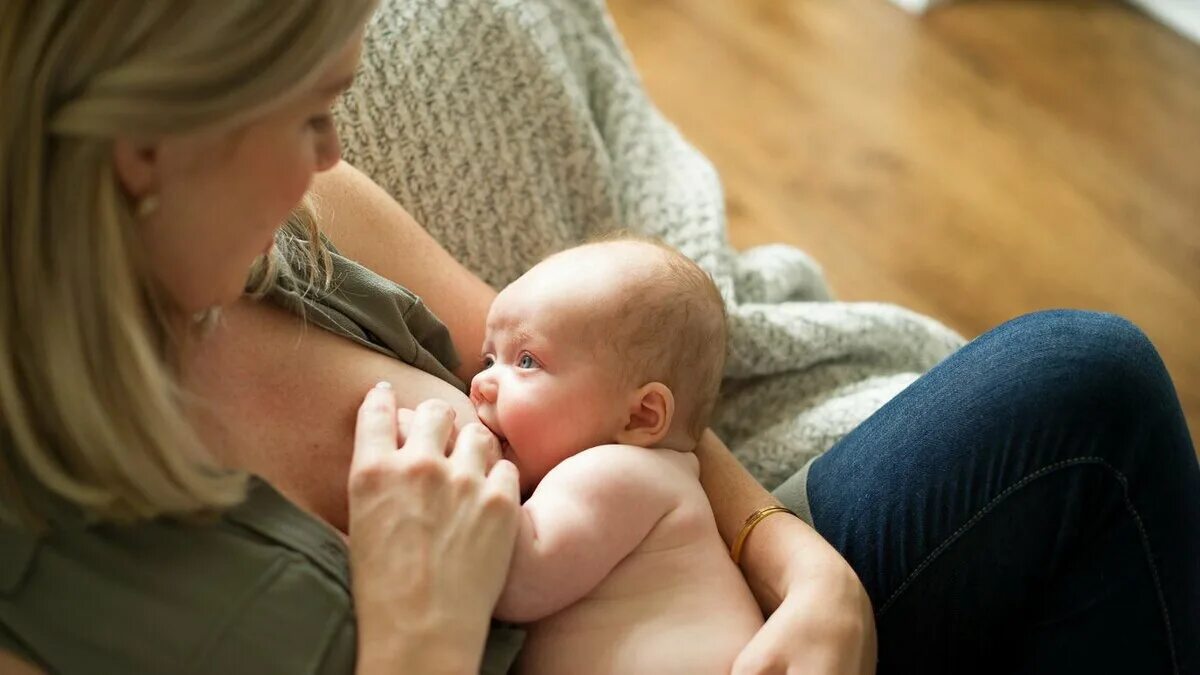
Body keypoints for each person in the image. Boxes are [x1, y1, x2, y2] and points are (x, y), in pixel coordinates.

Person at [0, 1, 1195, 674]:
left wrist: (804, 574)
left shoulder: (306, 225)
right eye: (310, 113)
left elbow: (631, 397)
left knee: (1082, 390)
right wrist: (421, 633)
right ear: (145, 147)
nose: (332, 154)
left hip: (718, 637)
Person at [468, 238, 763, 673]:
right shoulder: (646, 476)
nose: (481, 383)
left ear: (640, 417)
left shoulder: (616, 472)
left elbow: (514, 580)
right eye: (489, 359)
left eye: (526, 361)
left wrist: (459, 463)